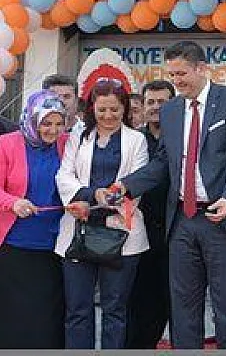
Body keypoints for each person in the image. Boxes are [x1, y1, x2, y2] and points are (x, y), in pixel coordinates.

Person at [116, 41, 226, 349]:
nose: (176, 81)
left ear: (201, 68)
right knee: (183, 308)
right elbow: (162, 163)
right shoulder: (170, 110)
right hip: (181, 219)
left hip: (222, 218)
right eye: (171, 74)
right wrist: (125, 186)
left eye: (181, 73)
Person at [55, 80, 150, 349]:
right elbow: (64, 175)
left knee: (115, 310)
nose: (108, 116)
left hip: (121, 232)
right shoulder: (78, 136)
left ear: (125, 109)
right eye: (102, 110)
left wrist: (109, 197)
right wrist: (88, 195)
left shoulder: (137, 140)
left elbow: (137, 182)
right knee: (77, 309)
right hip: (79, 229)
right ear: (92, 109)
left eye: (115, 109)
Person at [0, 91, 80, 349]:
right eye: (46, 123)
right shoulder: (6, 144)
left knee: (48, 315)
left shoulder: (68, 143)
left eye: (59, 123)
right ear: (32, 120)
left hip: (55, 244)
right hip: (14, 243)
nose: (53, 130)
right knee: (14, 313)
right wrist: (14, 203)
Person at [126, 80, 176, 349]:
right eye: (151, 102)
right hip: (138, 233)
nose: (156, 107)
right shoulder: (133, 140)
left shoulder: (183, 138)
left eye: (163, 102)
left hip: (174, 233)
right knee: (138, 303)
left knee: (174, 303)